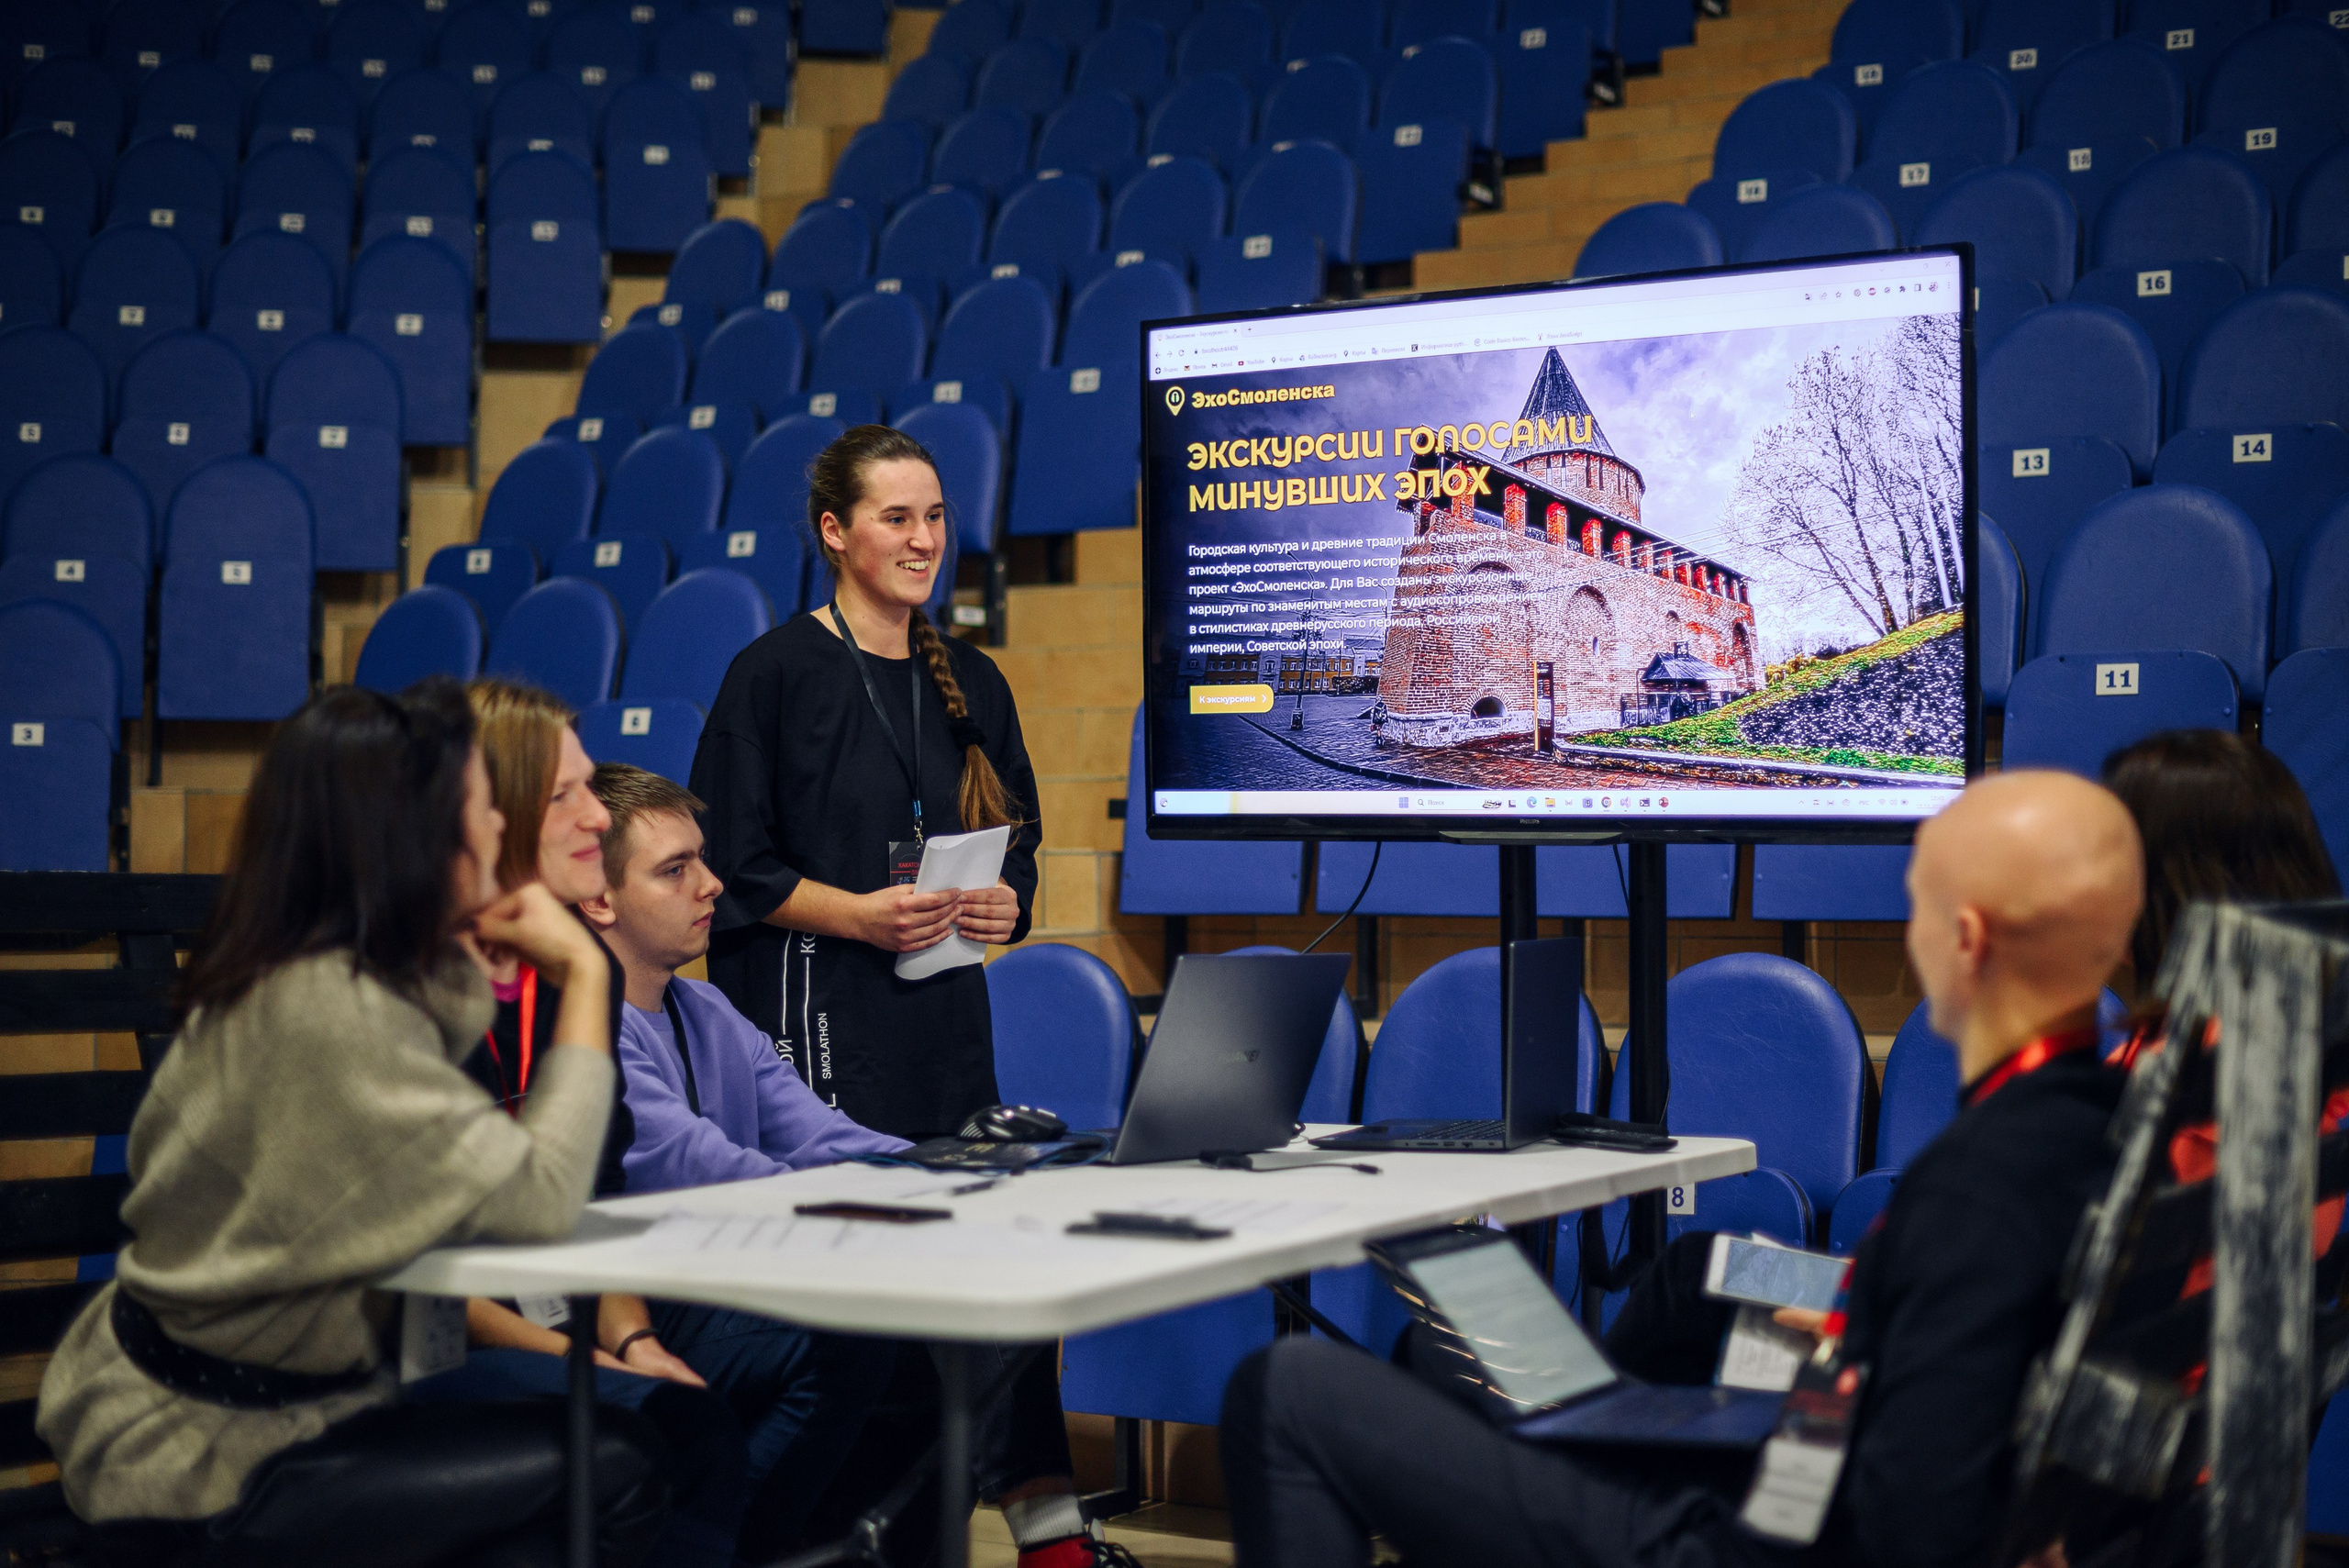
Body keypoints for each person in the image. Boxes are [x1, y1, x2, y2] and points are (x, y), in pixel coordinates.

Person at [1221, 771, 2147, 1568]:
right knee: (1658, 1277)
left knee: (1288, 1386)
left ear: (1965, 939)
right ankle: (1578, 1437)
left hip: (1752, 1533)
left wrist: (1832, 1371)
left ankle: (1575, 1472)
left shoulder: (1981, 1183)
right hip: (1822, 1440)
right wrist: (1859, 1319)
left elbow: (1909, 1511)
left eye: (1919, 906)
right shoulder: (2104, 1123)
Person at [36, 681, 672, 1566]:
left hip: (299, 1406)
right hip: (203, 1455)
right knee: (630, 1458)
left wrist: (472, 942)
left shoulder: (323, 968)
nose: (503, 826)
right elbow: (542, 1200)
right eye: (483, 810)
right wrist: (587, 972)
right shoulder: (330, 1019)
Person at [690, 424, 1093, 1567]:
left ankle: (1043, 1525)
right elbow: (730, 869)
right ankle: (868, 1536)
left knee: (989, 1266)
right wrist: (858, 913)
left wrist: (1007, 902)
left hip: (944, 1028)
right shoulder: (771, 673)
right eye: (896, 517)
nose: (924, 540)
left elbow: (1018, 841)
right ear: (835, 531)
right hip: (819, 1030)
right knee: (873, 1306)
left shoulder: (974, 678)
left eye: (936, 517)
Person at [410, 680, 747, 1568]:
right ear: (487, 819)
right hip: (390, 1349)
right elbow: (417, 1291)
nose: (599, 816)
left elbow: (588, 1207)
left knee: (706, 1411)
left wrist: (631, 1338)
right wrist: (588, 1363)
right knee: (662, 1435)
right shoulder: (409, 986)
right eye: (566, 795)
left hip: (537, 1318)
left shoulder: (560, 974)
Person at [578, 761, 907, 1561]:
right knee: (850, 1336)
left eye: (703, 859)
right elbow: (705, 1168)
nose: (712, 884)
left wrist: (954, 1173)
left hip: (730, 1287)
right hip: (647, 1307)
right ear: (599, 899)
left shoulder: (708, 1006)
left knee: (936, 1326)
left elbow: (823, 1135)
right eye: (675, 869)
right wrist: (871, 1210)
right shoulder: (588, 1027)